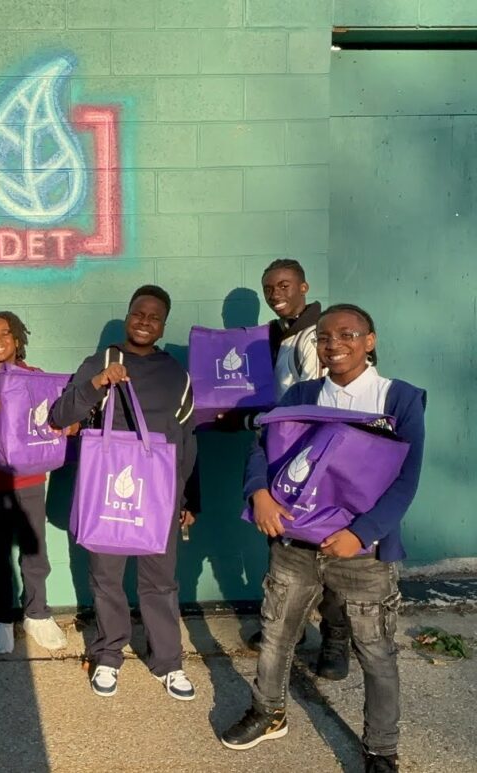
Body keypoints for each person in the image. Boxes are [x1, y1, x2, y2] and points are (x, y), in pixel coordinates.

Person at [221, 304, 426, 773]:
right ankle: (268, 713)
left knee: (375, 651)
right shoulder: (303, 394)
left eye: (347, 334)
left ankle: (381, 749)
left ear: (370, 340)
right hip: (295, 545)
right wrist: (259, 494)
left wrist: (361, 533)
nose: (334, 345)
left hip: (361, 552)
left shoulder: (399, 400)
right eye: (325, 338)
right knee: (276, 635)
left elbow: (406, 480)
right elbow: (262, 449)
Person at [50, 285, 197, 699]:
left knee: (160, 582)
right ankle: (109, 655)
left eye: (154, 317)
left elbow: (187, 439)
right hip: (109, 489)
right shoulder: (102, 361)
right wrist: (99, 382)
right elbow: (59, 416)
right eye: (138, 314)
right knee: (106, 578)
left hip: (162, 495)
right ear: (128, 315)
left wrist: (189, 499)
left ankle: (168, 662)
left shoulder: (176, 374)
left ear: (163, 324)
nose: (145, 322)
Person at [218, 258, 350, 679]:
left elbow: (315, 405)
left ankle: (335, 638)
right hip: (283, 456)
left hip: (320, 458)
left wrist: (250, 420)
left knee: (326, 551)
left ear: (304, 287)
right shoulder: (276, 337)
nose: (276, 294)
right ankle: (288, 631)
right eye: (269, 288)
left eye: (285, 285)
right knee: (284, 550)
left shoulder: (318, 336)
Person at [0, 312, 69, 654]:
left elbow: (52, 421)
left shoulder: (35, 377)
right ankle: (1, 618)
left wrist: (64, 428)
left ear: (18, 339)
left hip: (32, 479)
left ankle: (37, 613)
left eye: (5, 333)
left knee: (34, 550)